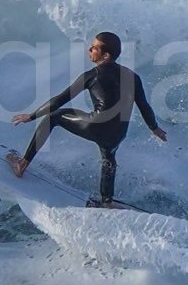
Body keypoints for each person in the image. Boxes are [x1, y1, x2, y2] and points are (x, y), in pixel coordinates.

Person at [9, 31, 166, 206]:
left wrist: (31, 116)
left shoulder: (92, 75)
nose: (89, 49)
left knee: (54, 117)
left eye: (94, 48)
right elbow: (144, 106)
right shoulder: (133, 77)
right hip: (118, 133)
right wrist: (154, 128)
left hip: (96, 126)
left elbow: (61, 99)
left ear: (105, 55)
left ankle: (22, 165)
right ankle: (107, 201)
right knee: (109, 156)